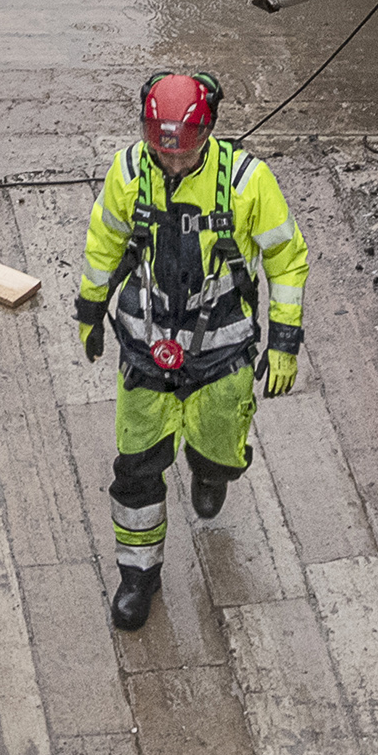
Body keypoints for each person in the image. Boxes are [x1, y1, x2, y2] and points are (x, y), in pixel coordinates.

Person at [73, 67, 308, 630]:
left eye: (184, 154)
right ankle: (138, 575)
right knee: (135, 471)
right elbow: (103, 240)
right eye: (163, 154)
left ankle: (212, 470)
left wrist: (284, 344)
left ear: (209, 133)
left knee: (219, 451)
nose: (173, 164)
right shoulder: (130, 172)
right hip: (146, 349)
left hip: (222, 356)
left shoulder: (249, 183)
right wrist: (89, 310)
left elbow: (287, 260)